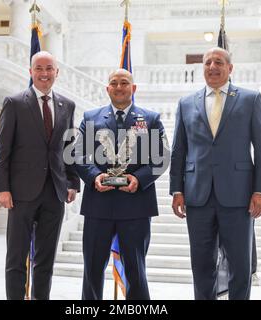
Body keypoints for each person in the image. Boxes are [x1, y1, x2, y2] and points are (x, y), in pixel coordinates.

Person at [169, 47, 261, 300]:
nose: (212, 67)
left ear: (230, 68)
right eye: (207, 63)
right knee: (201, 265)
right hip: (197, 196)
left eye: (218, 62)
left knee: (240, 264)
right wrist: (177, 189)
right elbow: (178, 150)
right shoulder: (186, 103)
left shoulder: (250, 99)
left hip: (238, 196)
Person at [74, 69, 169, 300]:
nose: (119, 87)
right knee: (93, 270)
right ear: (107, 89)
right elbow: (77, 154)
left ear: (133, 88)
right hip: (98, 205)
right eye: (114, 83)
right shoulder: (90, 118)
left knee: (136, 270)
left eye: (124, 83)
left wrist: (140, 178)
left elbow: (163, 156)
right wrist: (94, 176)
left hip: (136, 206)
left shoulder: (150, 119)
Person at [0, 51, 80, 300]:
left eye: (49, 68)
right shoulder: (15, 103)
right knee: (16, 258)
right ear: (30, 71)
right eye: (39, 68)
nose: (44, 73)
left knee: (45, 260)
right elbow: (2, 150)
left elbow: (68, 147)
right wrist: (2, 187)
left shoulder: (67, 105)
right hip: (21, 193)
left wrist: (73, 182)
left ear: (57, 72)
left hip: (55, 192)